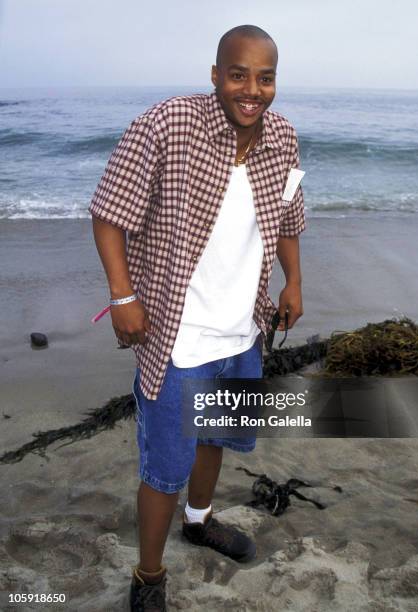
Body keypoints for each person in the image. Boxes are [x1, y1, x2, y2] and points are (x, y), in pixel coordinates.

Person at [88, 24, 305, 612]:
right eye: (239, 74)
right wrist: (122, 296)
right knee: (165, 465)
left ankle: (200, 520)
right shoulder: (167, 124)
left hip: (244, 328)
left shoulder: (282, 136)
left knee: (215, 435)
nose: (252, 90)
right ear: (216, 75)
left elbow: (286, 217)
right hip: (179, 333)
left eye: (265, 78)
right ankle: (149, 577)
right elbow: (109, 212)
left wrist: (294, 280)